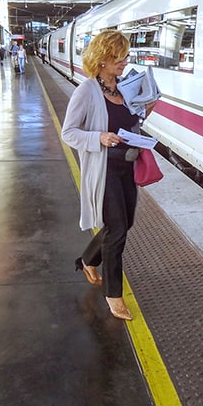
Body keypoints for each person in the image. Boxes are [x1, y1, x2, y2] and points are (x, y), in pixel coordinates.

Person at [61, 29, 156, 321]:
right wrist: (98, 138)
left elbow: (130, 123)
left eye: (125, 56)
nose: (125, 62)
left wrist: (145, 111)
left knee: (124, 223)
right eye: (119, 57)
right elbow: (69, 133)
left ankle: (88, 260)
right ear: (102, 59)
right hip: (104, 169)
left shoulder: (125, 88)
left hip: (127, 166)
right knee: (117, 232)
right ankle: (114, 295)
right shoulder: (86, 91)